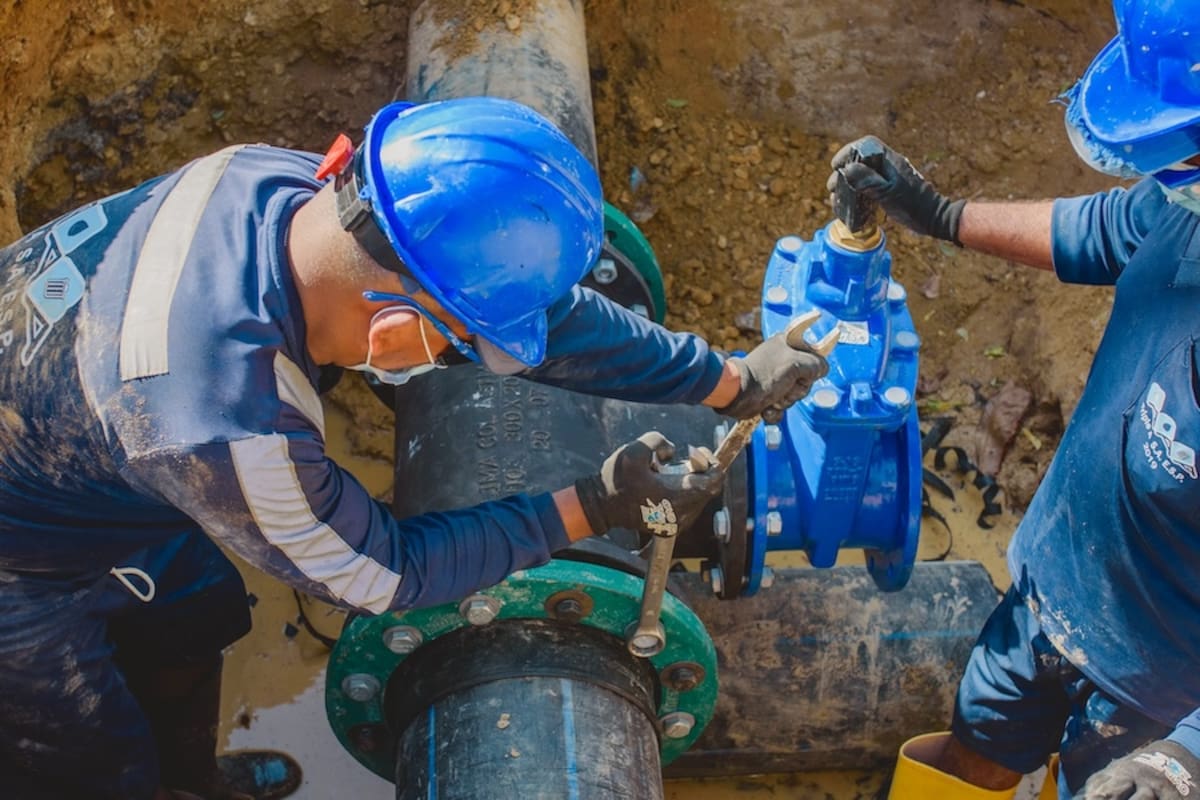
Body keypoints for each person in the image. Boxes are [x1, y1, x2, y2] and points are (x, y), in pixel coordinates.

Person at [0, 95, 827, 800]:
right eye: (459, 346)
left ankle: (194, 782)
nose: (463, 360)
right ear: (395, 328)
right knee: (93, 758)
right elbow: (385, 574)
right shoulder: (229, 425)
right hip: (19, 562)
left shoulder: (288, 190)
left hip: (80, 444)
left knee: (195, 616)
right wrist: (593, 504)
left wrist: (729, 381)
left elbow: (540, 320)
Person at [829, 1, 1200, 798]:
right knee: (971, 759)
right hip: (1044, 601)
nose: (1171, 178)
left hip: (1155, 700)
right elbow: (1098, 229)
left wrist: (1182, 758)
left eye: (1185, 158)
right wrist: (941, 216)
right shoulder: (1184, 201)